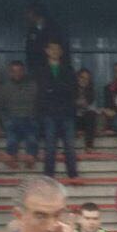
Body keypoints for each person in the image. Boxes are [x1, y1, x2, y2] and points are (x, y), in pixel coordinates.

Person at [36, 41, 78, 179]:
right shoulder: (41, 70)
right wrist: (58, 89)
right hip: (49, 113)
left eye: (57, 49)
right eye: (52, 49)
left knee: (69, 146)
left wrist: (53, 89)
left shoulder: (68, 69)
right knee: (50, 147)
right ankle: (48, 177)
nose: (54, 51)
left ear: (61, 52)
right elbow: (41, 91)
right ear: (47, 51)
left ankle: (73, 176)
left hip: (67, 113)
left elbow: (72, 90)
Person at [0, 61, 40, 169]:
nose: (17, 73)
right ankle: (10, 159)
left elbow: (39, 103)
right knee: (12, 139)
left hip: (29, 118)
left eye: (19, 71)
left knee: (32, 138)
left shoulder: (32, 85)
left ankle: (30, 159)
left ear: (23, 71)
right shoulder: (5, 87)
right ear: (10, 72)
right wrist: (5, 121)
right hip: (12, 119)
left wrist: (34, 116)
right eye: (14, 71)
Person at [22, 2, 69, 74]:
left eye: (29, 13)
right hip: (35, 69)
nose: (27, 16)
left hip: (51, 68)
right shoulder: (31, 31)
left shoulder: (54, 28)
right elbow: (29, 51)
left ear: (35, 13)